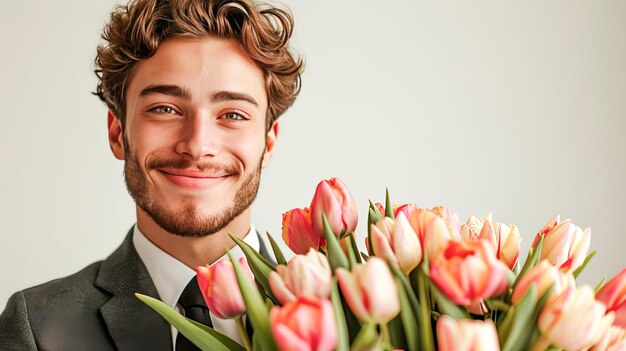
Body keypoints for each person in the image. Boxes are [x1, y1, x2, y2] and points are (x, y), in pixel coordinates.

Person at [0, 0, 303, 350]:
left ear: (268, 142)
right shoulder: (36, 328)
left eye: (233, 115)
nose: (197, 145)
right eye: (165, 109)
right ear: (117, 133)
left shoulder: (355, 309)